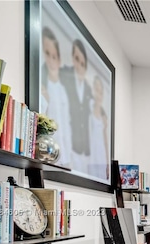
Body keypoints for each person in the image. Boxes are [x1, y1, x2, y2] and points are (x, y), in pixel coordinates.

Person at [41, 26, 72, 168]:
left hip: (63, 157)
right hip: (46, 155)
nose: (51, 59)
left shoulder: (64, 91)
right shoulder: (42, 88)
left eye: (54, 55)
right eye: (47, 54)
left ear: (59, 59)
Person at [61, 39, 93, 174]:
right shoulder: (64, 77)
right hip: (68, 145)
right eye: (76, 59)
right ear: (72, 60)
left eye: (82, 63)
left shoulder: (88, 89)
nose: (79, 66)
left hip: (84, 150)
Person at [88, 75, 110, 180]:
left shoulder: (103, 115)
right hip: (91, 158)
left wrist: (107, 164)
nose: (98, 94)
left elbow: (105, 142)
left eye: (101, 91)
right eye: (96, 89)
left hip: (100, 157)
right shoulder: (88, 108)